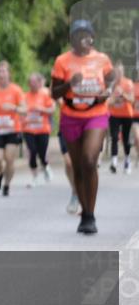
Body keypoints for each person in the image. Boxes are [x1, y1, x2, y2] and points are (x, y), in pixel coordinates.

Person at [50, 19, 115, 234]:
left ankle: (90, 214)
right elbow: (54, 93)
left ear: (92, 38)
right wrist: (69, 84)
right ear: (73, 39)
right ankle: (85, 212)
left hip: (96, 114)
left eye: (87, 35)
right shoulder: (62, 61)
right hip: (70, 115)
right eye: (79, 35)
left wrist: (108, 91)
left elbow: (111, 80)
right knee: (78, 167)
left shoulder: (102, 59)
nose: (84, 39)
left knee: (89, 161)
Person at [0, 61, 26, 197]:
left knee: (9, 159)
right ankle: (0, 173)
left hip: (12, 129)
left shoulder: (16, 90)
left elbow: (24, 110)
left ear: (9, 73)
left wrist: (14, 108)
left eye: (4, 71)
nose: (1, 74)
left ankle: (7, 185)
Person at [23, 72, 55, 188]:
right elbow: (21, 110)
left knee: (42, 153)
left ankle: (46, 166)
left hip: (43, 129)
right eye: (30, 82)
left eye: (34, 82)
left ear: (39, 83)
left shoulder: (45, 94)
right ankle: (34, 177)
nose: (32, 84)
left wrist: (40, 109)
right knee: (32, 151)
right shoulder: (25, 96)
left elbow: (52, 109)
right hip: (28, 129)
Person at [108, 62, 135, 174]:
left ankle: (127, 160)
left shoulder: (128, 83)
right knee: (114, 137)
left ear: (123, 72)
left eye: (120, 71)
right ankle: (114, 162)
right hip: (114, 114)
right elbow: (108, 102)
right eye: (117, 71)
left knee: (126, 139)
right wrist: (113, 98)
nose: (118, 73)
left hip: (126, 115)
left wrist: (122, 93)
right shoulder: (111, 85)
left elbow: (132, 99)